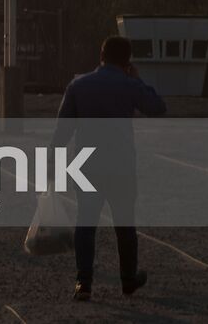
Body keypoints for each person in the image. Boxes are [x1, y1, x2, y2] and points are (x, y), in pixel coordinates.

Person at [49, 35, 166, 302]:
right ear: (127, 61)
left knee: (86, 223)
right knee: (124, 225)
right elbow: (158, 107)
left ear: (100, 56)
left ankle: (84, 282)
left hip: (87, 165)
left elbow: (62, 131)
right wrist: (135, 79)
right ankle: (128, 280)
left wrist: (53, 162)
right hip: (121, 166)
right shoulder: (128, 84)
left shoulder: (78, 85)